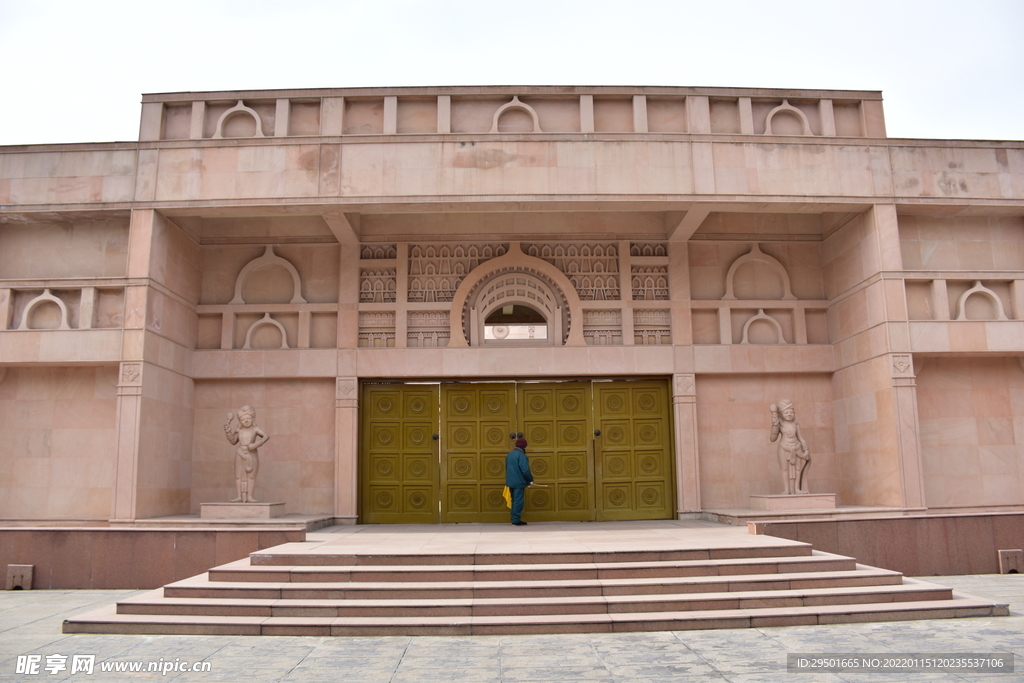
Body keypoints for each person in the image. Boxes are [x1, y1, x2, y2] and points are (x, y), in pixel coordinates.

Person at [224, 405, 269, 503]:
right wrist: (228, 432)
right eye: (243, 419)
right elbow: (233, 441)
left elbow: (266, 436)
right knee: (238, 476)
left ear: (252, 419)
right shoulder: (239, 430)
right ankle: (239, 496)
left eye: (248, 418)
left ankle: (249, 497)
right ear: (240, 420)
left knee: (251, 476)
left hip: (251, 454)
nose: (246, 420)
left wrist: (256, 444)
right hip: (240, 454)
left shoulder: (255, 429)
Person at [769, 399, 810, 495]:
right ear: (781, 414)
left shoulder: (795, 423)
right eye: (786, 412)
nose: (789, 414)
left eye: (791, 412)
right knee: (784, 469)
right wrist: (774, 426)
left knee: (797, 469)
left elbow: (800, 437)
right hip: (784, 447)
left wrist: (806, 449)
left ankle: (797, 489)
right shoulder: (780, 424)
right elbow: (772, 438)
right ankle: (786, 489)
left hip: (797, 447)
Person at [505, 437, 533, 525]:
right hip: (519, 482)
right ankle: (516, 520)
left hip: (510, 481)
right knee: (518, 501)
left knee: (514, 500)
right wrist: (530, 480)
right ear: (524, 446)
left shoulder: (509, 455)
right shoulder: (522, 456)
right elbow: (525, 470)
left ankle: (514, 518)